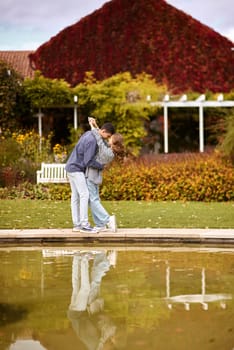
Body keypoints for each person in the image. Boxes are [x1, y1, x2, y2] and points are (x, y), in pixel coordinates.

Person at [65, 122, 115, 233]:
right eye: (108, 136)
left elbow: (96, 133)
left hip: (70, 166)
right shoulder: (92, 141)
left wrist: (94, 125)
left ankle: (77, 225)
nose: (107, 139)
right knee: (84, 195)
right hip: (77, 169)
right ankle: (84, 225)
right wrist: (101, 166)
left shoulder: (89, 133)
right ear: (103, 131)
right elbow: (88, 161)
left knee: (76, 197)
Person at [86, 118, 124, 232]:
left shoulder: (108, 153)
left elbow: (99, 138)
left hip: (92, 176)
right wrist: (95, 125)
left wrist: (93, 127)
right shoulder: (109, 150)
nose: (108, 138)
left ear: (113, 142)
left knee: (92, 200)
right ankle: (100, 224)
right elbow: (101, 137)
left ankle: (108, 219)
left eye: (110, 138)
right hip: (96, 176)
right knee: (94, 199)